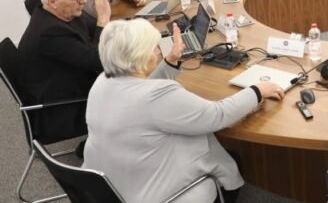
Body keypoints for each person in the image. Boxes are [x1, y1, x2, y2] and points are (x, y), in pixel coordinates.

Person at [83, 19, 285, 203]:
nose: (158, 52)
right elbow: (217, 115)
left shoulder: (103, 82)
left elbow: (139, 92)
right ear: (140, 56)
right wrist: (258, 91)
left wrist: (171, 60)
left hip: (108, 187)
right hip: (153, 194)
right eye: (155, 48)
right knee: (221, 154)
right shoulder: (158, 95)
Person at [16, 0, 110, 144]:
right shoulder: (49, 33)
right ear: (53, 2)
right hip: (64, 108)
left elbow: (92, 31)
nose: (83, 1)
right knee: (132, 97)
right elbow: (97, 62)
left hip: (74, 84)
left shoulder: (64, 12)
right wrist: (103, 19)